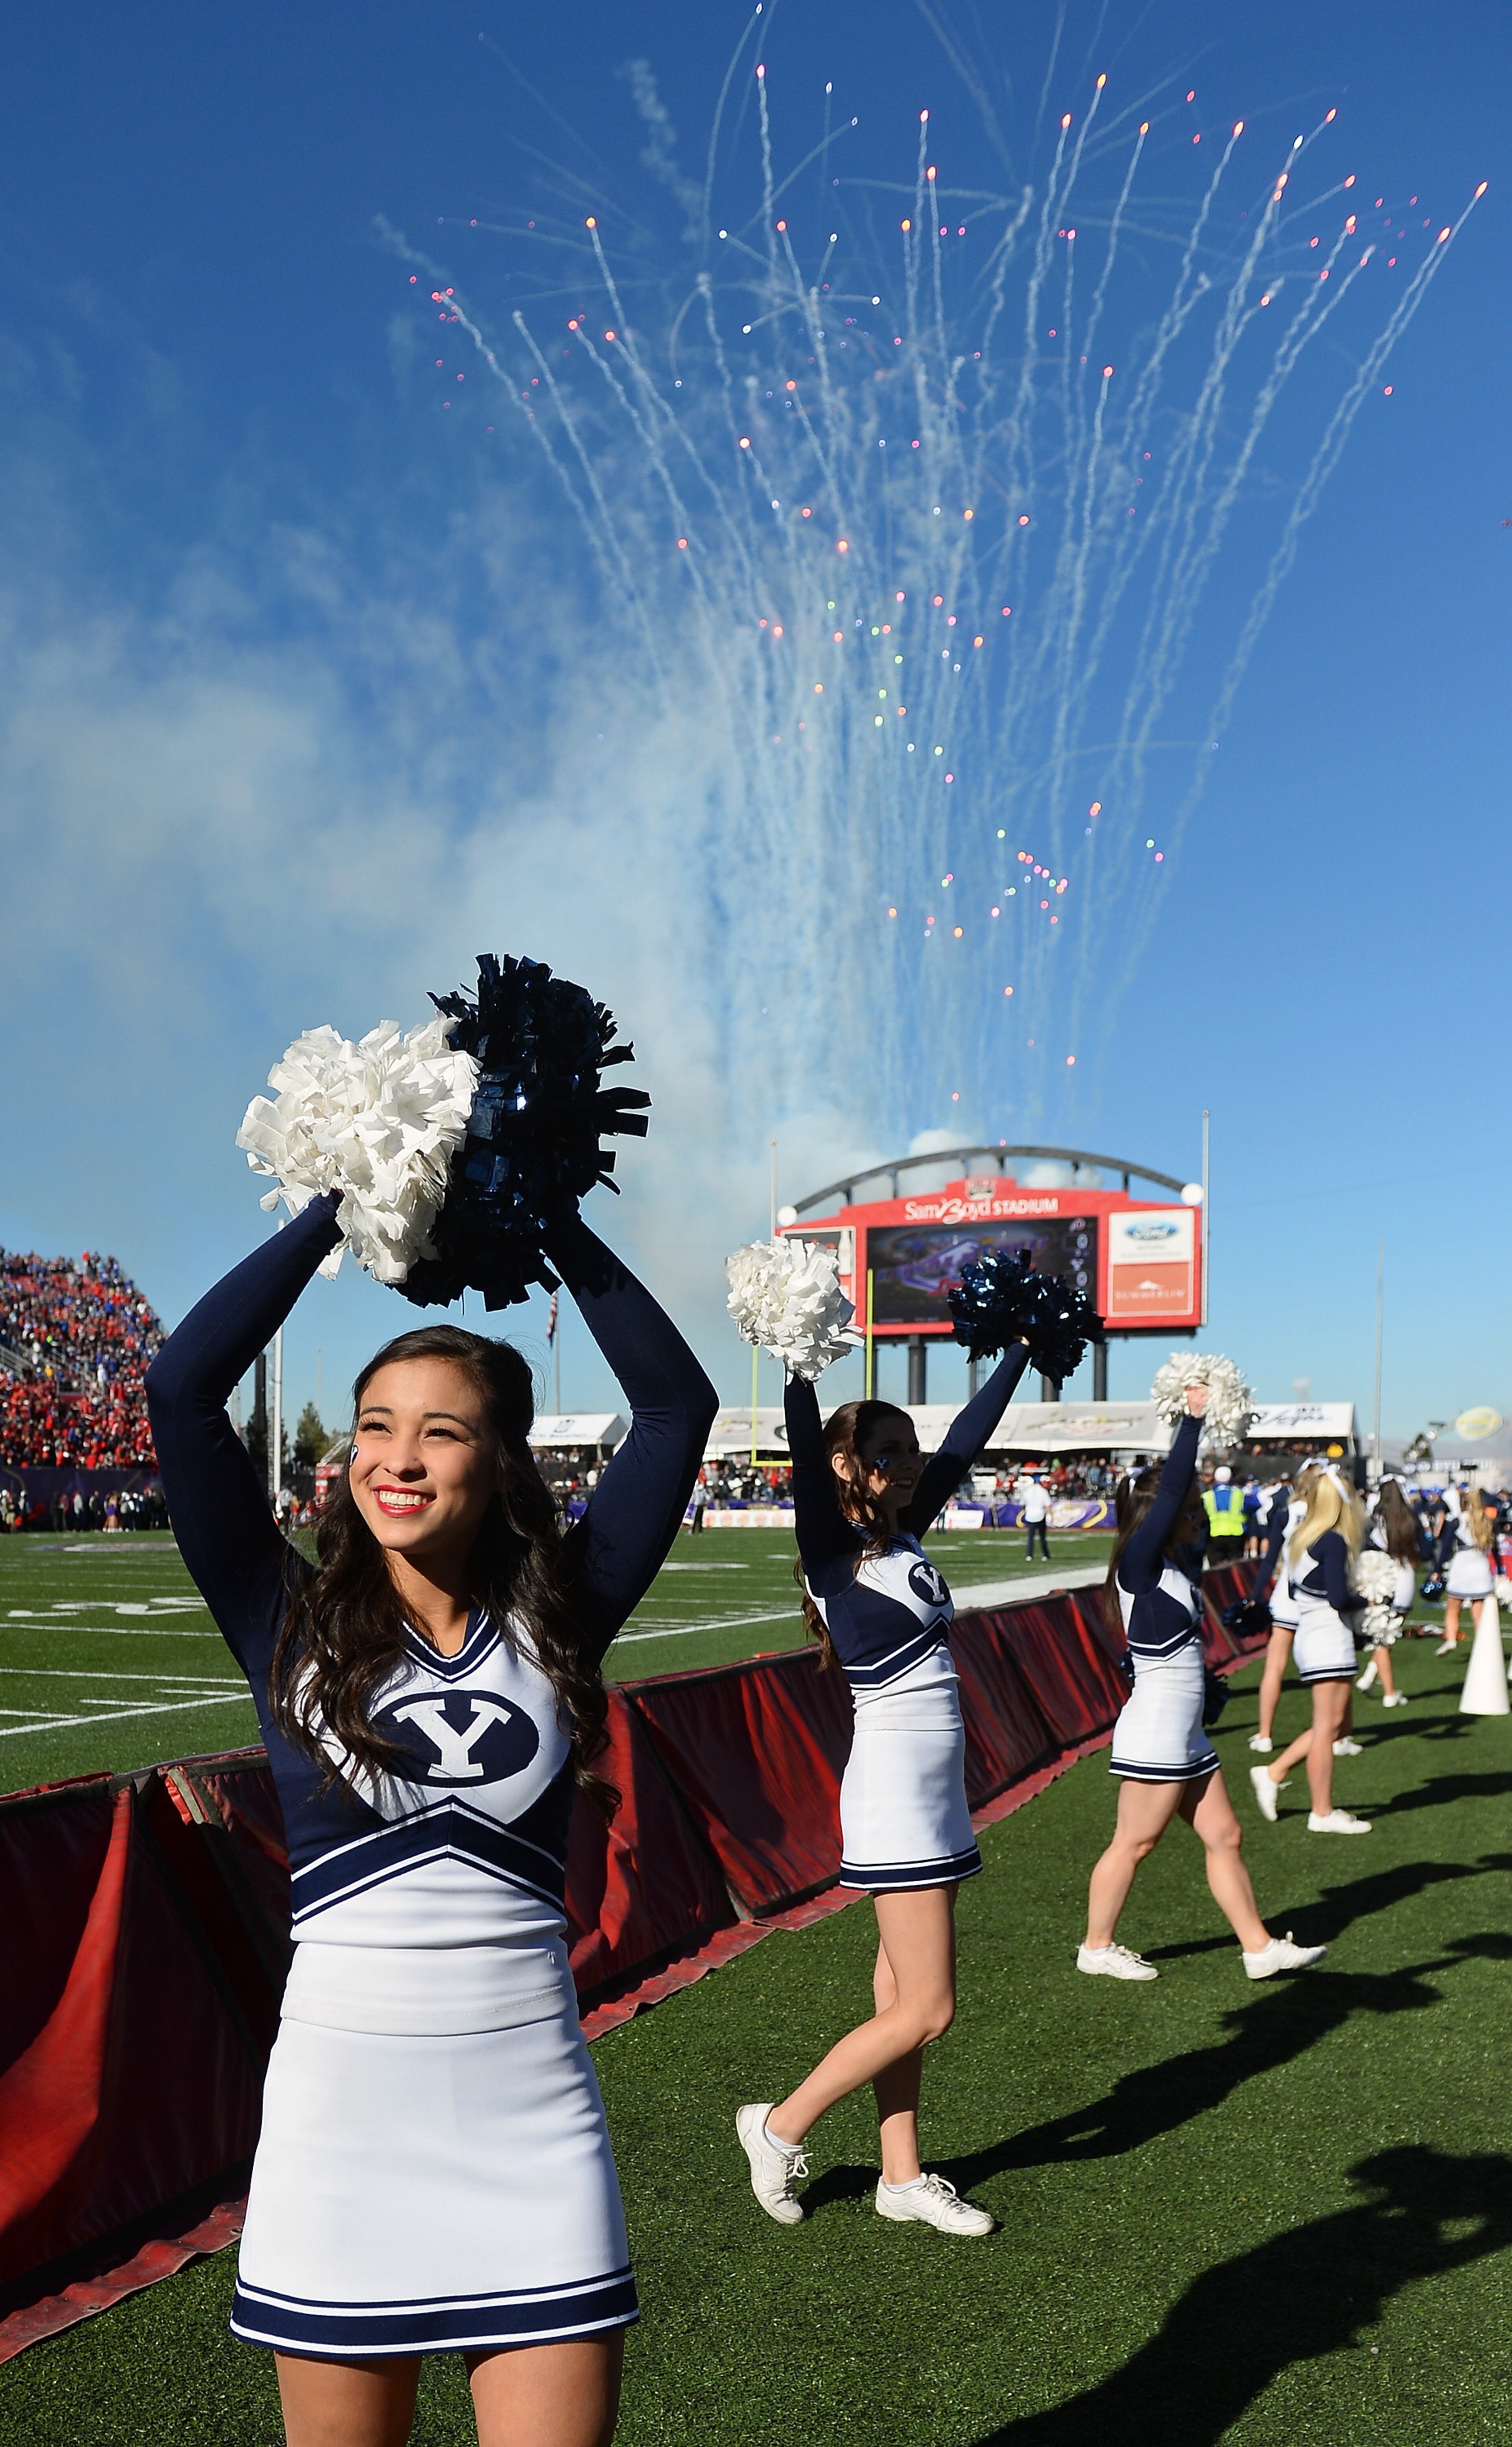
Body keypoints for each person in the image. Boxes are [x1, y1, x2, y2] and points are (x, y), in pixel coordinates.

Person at [147, 1190, 716, 2447]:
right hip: (341, 2127)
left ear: (498, 1461)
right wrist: (339, 1202)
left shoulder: (560, 1614)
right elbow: (184, 1389)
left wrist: (548, 1203)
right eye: (372, 1428)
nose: (396, 1458)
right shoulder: (281, 1617)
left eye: (440, 1432)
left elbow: (677, 1407)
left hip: (533, 2121)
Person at [737, 1339, 1038, 2239]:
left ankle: (899, 2174)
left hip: (933, 1789)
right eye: (885, 1452)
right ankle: (779, 2124)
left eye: (909, 1449)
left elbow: (965, 1442)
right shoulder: (830, 1553)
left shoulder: (902, 1532)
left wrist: (1021, 1351)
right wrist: (797, 1372)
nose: (906, 1464)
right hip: (894, 1793)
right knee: (928, 2007)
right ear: (842, 1465)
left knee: (897, 1999)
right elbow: (803, 1458)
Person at [1077, 1385, 1325, 1984]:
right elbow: (1168, 1492)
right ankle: (1096, 1945)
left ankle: (1258, 1947)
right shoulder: (1139, 1561)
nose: (1198, 1517)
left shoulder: (1179, 1567)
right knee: (1135, 1842)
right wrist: (1193, 1420)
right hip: (1158, 1729)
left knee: (1226, 1834)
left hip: (1186, 1731)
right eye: (1190, 1510)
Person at [1251, 1468, 1371, 1835]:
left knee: (1330, 1725)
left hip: (1312, 1633)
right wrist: (1368, 1600)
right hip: (1327, 1635)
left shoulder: (1303, 1536)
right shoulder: (1332, 1541)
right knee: (1327, 1728)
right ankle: (1316, 1808)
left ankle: (1278, 1776)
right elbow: (1337, 1598)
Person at [1247, 1470, 1311, 1756]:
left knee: (1275, 1665)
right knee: (1329, 1671)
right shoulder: (1333, 1512)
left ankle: (1265, 1735)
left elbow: (1270, 1559)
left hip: (1287, 1595)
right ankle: (1337, 1735)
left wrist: (1255, 1595)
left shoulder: (1286, 1513)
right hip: (1318, 1599)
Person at [1355, 1479, 1418, 1704]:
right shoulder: (1411, 1517)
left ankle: (1381, 1685)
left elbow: (1365, 1547)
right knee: (1387, 1636)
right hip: (1406, 1575)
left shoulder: (1374, 1518)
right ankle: (1381, 1686)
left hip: (1382, 1577)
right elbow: (1426, 1550)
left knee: (1383, 1636)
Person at [1437, 1487, 1497, 1654]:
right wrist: (1498, 1571)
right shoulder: (1487, 1520)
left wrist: (1437, 1569)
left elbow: (1446, 1548)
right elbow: (1496, 1549)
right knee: (1478, 1611)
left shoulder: (1457, 1521)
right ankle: (1482, 1646)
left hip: (1462, 1564)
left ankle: (1451, 1639)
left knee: (1453, 1607)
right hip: (1481, 1565)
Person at [1201, 1464, 1246, 1567]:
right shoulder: (1240, 1494)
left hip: (1214, 1536)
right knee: (1235, 1569)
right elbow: (1255, 1505)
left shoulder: (1207, 1496)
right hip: (1236, 1535)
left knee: (1216, 1570)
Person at [1019, 1468, 1051, 1562]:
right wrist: (1050, 1515)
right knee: (1042, 1537)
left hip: (1030, 1515)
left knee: (1031, 1537)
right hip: (1040, 1515)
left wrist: (1025, 1512)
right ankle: (1045, 1555)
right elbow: (1048, 1505)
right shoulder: (1043, 1491)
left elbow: (1023, 1504)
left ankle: (1029, 1555)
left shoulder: (1027, 1491)